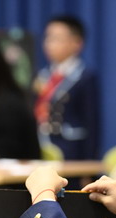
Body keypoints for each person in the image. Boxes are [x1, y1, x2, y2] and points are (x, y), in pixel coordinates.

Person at [33, 15, 100, 161]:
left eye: (56, 38)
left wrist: (89, 163)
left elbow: (91, 123)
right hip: (40, 147)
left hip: (70, 152)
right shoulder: (43, 75)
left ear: (77, 43)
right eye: (48, 38)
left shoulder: (84, 77)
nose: (49, 44)